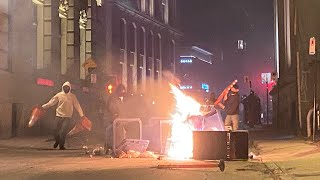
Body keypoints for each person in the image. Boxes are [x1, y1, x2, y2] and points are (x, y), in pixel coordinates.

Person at [42, 81, 85, 150]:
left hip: (67, 117)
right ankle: (57, 140)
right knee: (55, 130)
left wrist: (82, 115)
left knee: (63, 131)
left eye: (67, 87)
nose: (66, 88)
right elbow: (51, 103)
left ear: (70, 88)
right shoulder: (59, 95)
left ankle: (61, 145)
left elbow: (77, 105)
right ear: (62, 87)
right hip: (58, 115)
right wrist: (43, 107)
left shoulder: (72, 96)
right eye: (65, 87)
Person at [104, 84, 127, 149]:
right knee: (109, 131)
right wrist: (117, 115)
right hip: (111, 120)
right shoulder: (113, 98)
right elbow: (112, 109)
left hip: (120, 120)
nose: (122, 93)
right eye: (121, 92)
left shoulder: (123, 99)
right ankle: (108, 147)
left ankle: (120, 147)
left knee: (122, 132)